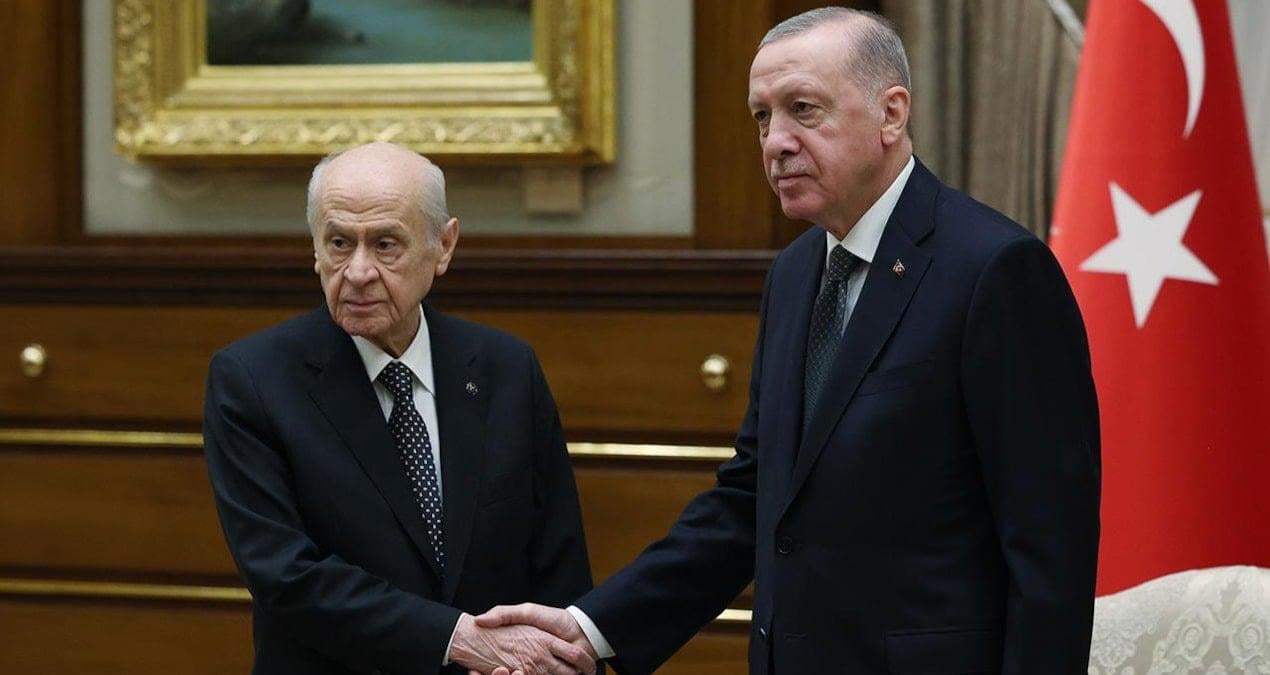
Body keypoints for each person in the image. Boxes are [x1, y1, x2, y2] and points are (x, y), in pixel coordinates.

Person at [476, 8, 1100, 674]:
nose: (776, 141)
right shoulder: (796, 273)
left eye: (803, 109)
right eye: (762, 117)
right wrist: (591, 627)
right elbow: (755, 500)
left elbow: (1049, 552)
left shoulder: (995, 270)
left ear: (891, 114)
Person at [203, 142, 598, 675]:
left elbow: (559, 566)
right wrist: (455, 639)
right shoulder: (253, 381)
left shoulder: (506, 369)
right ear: (315, 250)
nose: (358, 271)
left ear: (443, 246)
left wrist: (567, 663)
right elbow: (287, 577)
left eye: (385, 244)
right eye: (339, 243)